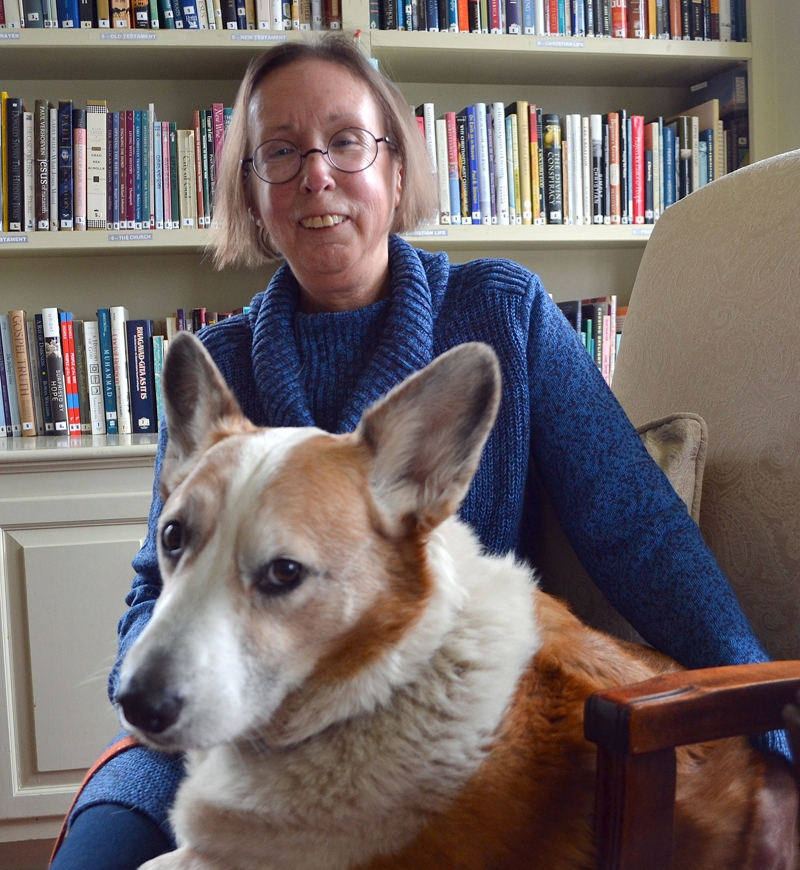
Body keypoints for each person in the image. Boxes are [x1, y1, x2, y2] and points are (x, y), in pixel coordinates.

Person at [50, 33, 797, 870]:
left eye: (344, 141)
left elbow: (641, 536)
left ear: (397, 170)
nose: (316, 175)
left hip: (427, 727)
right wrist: (159, 676)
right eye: (280, 154)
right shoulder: (219, 365)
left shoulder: (500, 315)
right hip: (214, 727)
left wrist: (768, 734)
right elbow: (155, 583)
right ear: (254, 197)